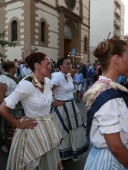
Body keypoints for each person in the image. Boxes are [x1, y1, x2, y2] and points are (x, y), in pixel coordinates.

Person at [0, 52, 63, 170]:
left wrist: (55, 103)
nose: (50, 66)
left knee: (48, 162)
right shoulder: (26, 84)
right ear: (38, 65)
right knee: (32, 163)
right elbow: (2, 109)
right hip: (32, 130)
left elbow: (45, 101)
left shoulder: (47, 82)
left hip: (48, 128)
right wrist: (18, 124)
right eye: (47, 63)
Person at [83, 38, 128, 169]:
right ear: (116, 59)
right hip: (110, 162)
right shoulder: (108, 95)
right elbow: (115, 147)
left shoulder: (107, 88)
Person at [50, 57, 89, 161]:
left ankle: (70, 151)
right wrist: (52, 103)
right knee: (62, 130)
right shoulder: (57, 76)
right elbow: (47, 90)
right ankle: (60, 155)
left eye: (70, 63)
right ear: (60, 66)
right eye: (67, 64)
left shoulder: (69, 76)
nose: (70, 65)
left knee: (74, 128)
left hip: (71, 105)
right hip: (62, 107)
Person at [0, 61, 24, 153]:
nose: (16, 68)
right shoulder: (3, 77)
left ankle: (13, 142)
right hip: (6, 102)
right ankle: (4, 143)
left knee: (13, 123)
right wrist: (5, 106)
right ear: (11, 68)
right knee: (4, 123)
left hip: (14, 102)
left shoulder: (13, 77)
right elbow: (1, 93)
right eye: (15, 67)